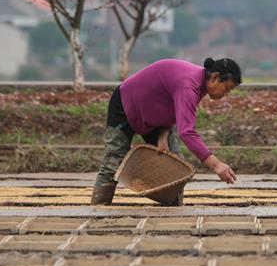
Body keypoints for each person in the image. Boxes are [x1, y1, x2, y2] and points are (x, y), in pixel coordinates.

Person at [90, 57, 241, 206]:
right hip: (125, 105)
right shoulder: (189, 85)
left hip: (155, 117)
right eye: (227, 88)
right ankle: (97, 210)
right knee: (113, 161)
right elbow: (187, 132)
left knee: (175, 167)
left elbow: (172, 107)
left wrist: (164, 132)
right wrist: (216, 165)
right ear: (215, 77)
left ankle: (173, 210)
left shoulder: (200, 86)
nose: (226, 93)